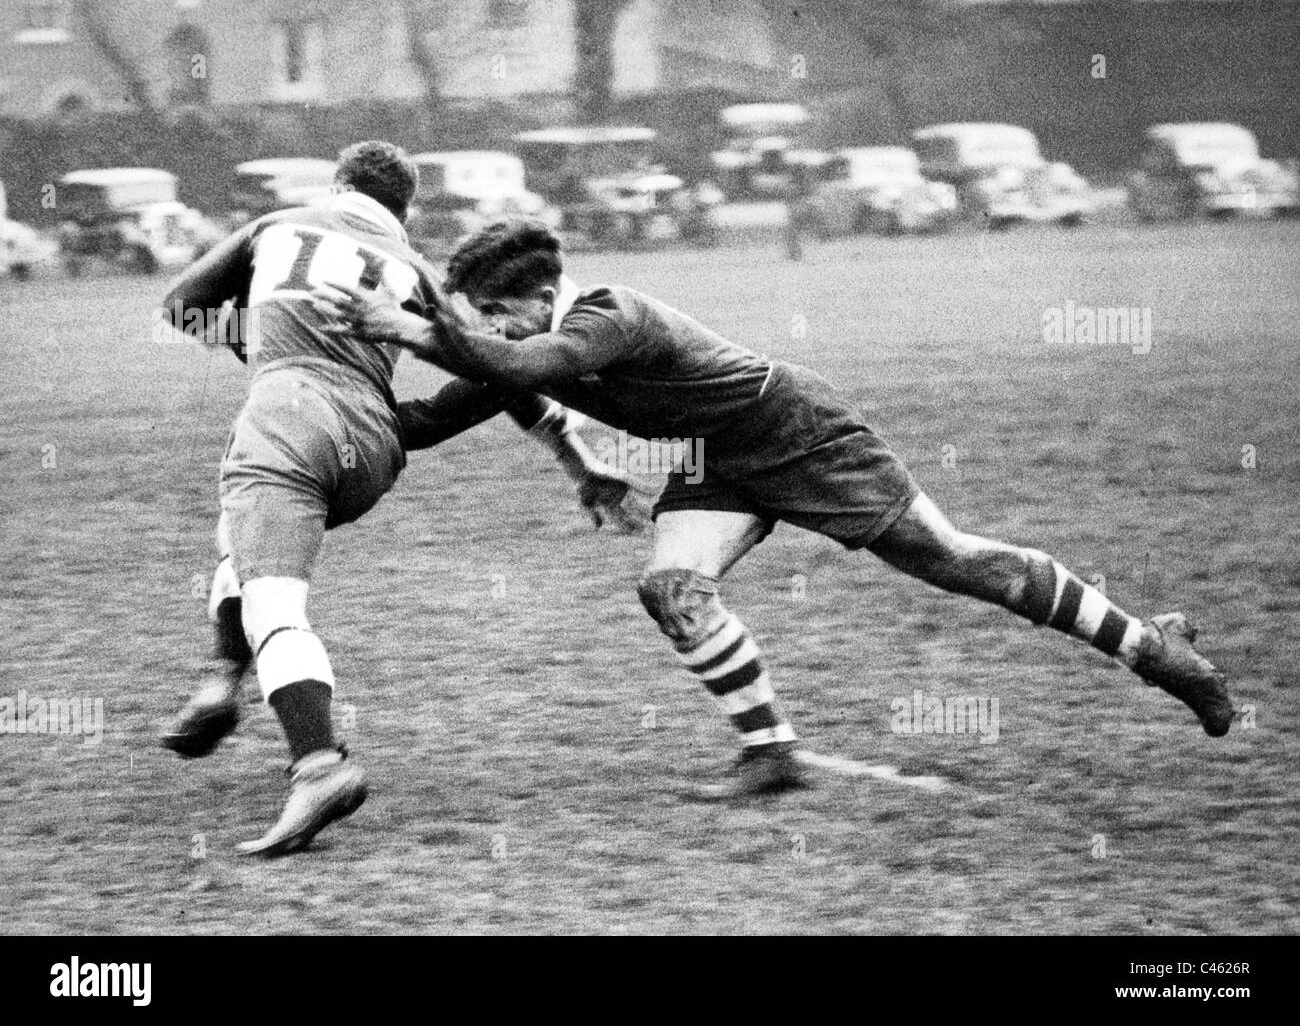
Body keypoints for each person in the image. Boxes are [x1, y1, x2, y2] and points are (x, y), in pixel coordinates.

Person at [317, 217, 1239, 798]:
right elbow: (432, 418)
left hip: (799, 431)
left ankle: (1156, 651)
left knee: (955, 562)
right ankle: (772, 755)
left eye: (495, 312)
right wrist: (321, 412)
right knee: (672, 587)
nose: (488, 329)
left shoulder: (608, 312)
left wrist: (416, 328)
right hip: (719, 462)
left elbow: (525, 366)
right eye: (475, 316)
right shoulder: (503, 347)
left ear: (543, 297)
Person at [158, 149, 638, 856]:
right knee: (245, 546)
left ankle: (319, 766)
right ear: (404, 211)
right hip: (374, 449)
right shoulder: (410, 267)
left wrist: (246, 337)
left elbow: (180, 309)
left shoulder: (277, 224)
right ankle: (224, 678)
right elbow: (490, 368)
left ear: (339, 188)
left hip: (287, 419)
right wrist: (580, 462)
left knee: (273, 598)